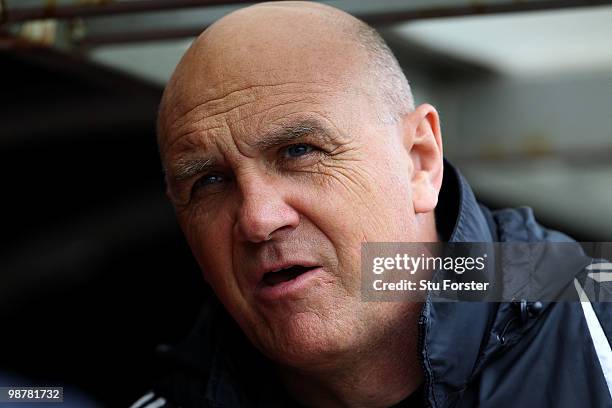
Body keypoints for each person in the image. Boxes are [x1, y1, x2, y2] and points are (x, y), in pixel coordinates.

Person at [130, 2, 612, 407]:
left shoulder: (595, 320)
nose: (258, 219)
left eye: (299, 152)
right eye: (210, 182)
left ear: (420, 162)